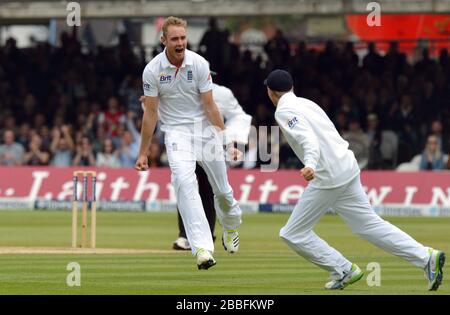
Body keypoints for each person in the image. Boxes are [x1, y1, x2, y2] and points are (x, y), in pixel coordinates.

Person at [265, 69, 445, 291]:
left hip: (328, 176)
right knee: (367, 225)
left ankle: (344, 269)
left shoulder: (284, 110)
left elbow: (307, 138)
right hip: (347, 167)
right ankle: (426, 257)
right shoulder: (306, 103)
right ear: (291, 87)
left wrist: (310, 163)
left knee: (292, 233)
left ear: (270, 92)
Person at [135, 16, 242, 270]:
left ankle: (230, 226)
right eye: (175, 39)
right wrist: (143, 153)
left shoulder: (199, 64)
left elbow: (210, 106)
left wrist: (226, 142)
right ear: (164, 40)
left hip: (205, 132)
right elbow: (150, 114)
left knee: (223, 192)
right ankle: (202, 248)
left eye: (183, 38)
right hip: (176, 134)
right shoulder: (152, 70)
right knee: (184, 184)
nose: (181, 43)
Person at [173, 82, 252, 250]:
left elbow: (239, 116)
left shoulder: (222, 93)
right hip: (186, 146)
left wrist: (231, 142)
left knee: (217, 192)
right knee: (185, 187)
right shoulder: (178, 88)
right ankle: (186, 236)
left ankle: (226, 229)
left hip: (212, 148)